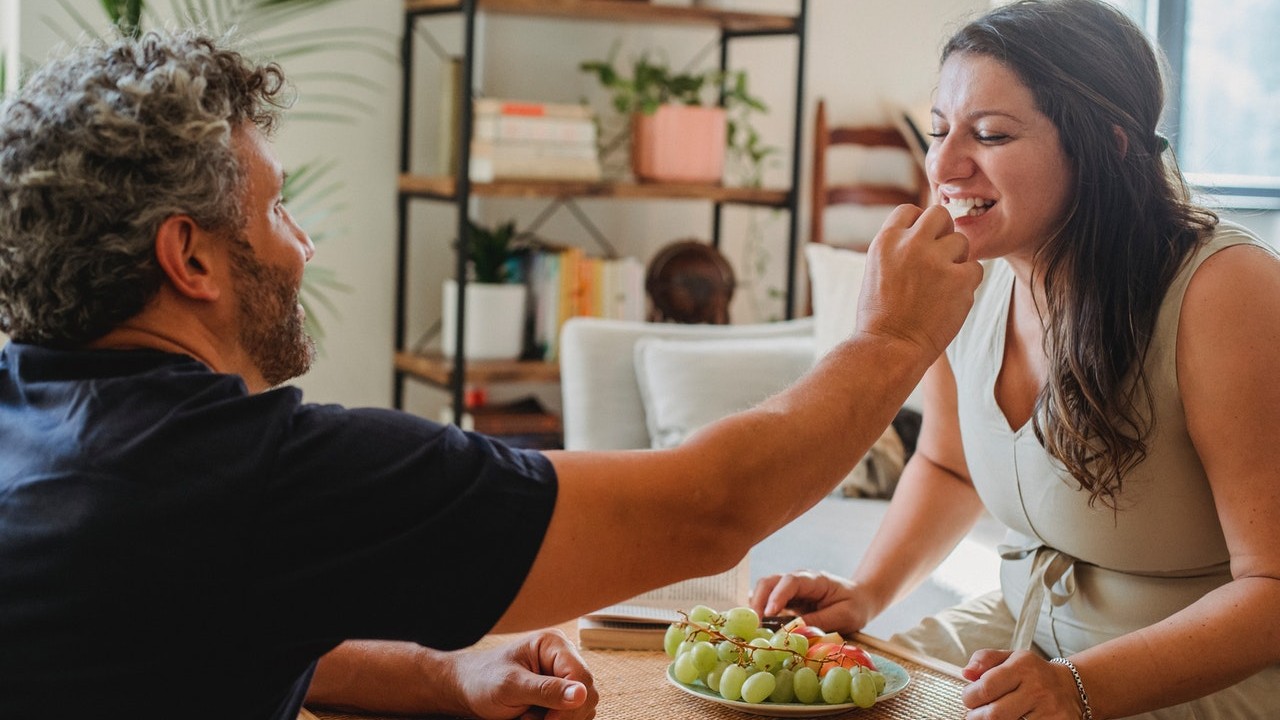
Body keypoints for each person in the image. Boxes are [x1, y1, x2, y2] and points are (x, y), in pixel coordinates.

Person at [0, 30, 981, 720]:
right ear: (192, 259)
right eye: (274, 212)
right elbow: (708, 509)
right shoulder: (249, 475)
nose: (302, 247)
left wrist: (439, 677)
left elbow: (204, 622)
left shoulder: (37, 420)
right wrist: (890, 342)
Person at [752, 1, 1280, 718]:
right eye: (939, 131)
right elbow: (948, 464)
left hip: (1193, 677)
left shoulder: (1225, 290)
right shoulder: (960, 282)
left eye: (991, 134)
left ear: (1112, 144)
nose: (942, 165)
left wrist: (1079, 688)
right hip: (1024, 640)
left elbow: (1272, 589)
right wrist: (867, 591)